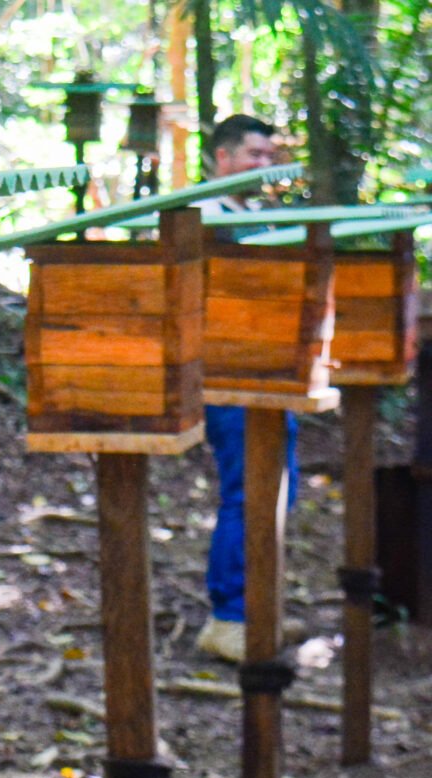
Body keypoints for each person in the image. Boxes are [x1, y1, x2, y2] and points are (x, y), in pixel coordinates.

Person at [192, 114, 297, 663]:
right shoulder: (204, 215)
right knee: (247, 491)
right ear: (224, 156)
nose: (263, 165)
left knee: (279, 487)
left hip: (269, 371)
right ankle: (228, 616)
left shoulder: (252, 215)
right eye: (254, 154)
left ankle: (258, 603)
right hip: (228, 375)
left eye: (268, 155)